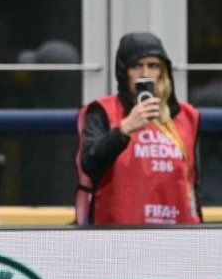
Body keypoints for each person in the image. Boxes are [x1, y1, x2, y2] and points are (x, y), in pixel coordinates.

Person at [75, 32, 201, 225]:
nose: (144, 74)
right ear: (124, 72)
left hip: (178, 232)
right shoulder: (103, 111)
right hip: (119, 233)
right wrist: (124, 129)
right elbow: (89, 164)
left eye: (152, 66)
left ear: (163, 71)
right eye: (136, 66)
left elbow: (193, 182)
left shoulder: (186, 116)